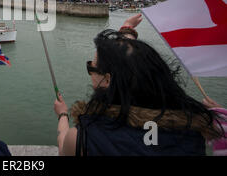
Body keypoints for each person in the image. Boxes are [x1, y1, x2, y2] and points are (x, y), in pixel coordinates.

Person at [54, 14, 224, 156]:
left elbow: (64, 147)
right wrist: (127, 30)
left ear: (107, 80)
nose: (91, 69)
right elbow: (131, 61)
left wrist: (63, 116)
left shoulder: (84, 137)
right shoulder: (194, 129)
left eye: (91, 67)